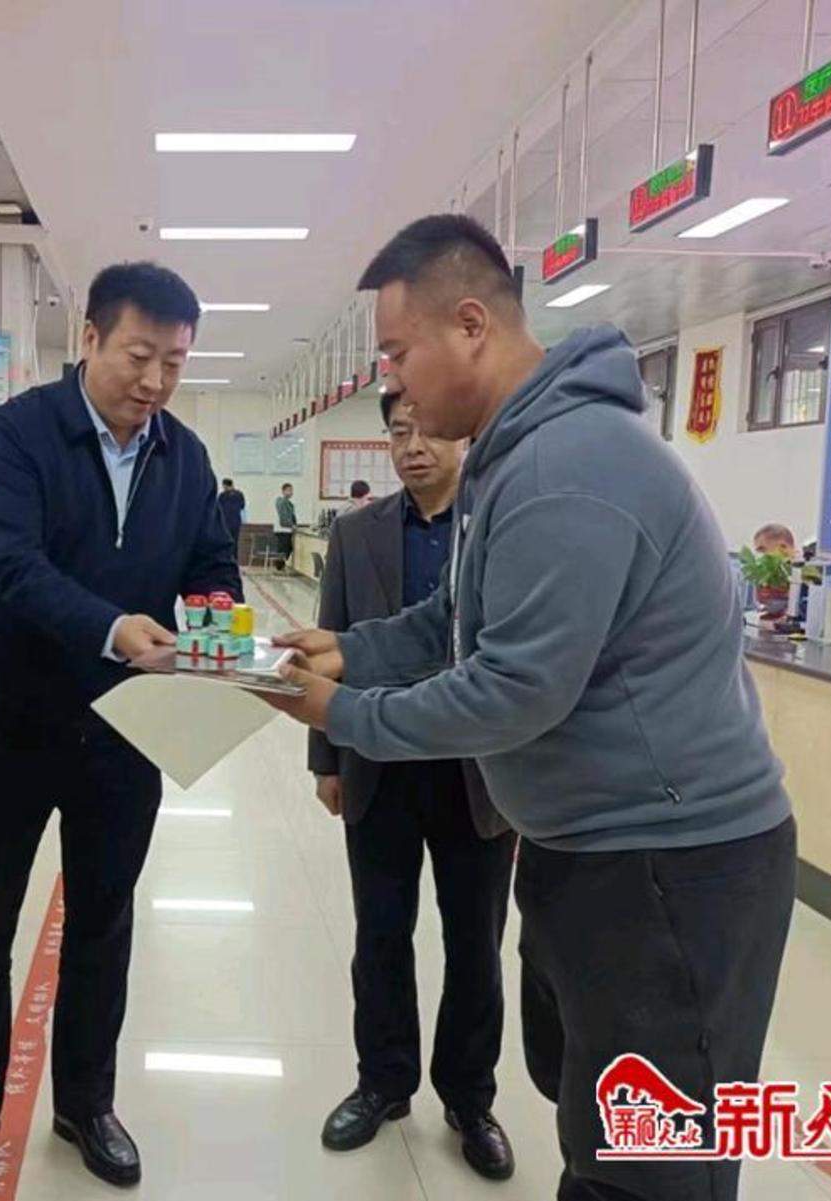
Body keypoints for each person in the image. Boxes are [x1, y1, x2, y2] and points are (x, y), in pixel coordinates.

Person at [268, 214, 796, 1201]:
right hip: (594, 847)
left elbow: (512, 691)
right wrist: (352, 648)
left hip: (666, 867)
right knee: (594, 1121)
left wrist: (341, 712)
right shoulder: (516, 456)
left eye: (398, 352)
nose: (393, 382)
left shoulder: (564, 465)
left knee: (650, 1167)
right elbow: (458, 616)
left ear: (470, 324)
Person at [0, 262, 241, 1193]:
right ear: (89, 338)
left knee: (103, 918)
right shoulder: (20, 433)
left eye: (175, 361)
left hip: (129, 729)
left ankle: (87, 1102)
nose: (156, 380)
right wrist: (113, 627)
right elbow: (14, 568)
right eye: (140, 354)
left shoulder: (186, 458)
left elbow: (212, 562)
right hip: (14, 719)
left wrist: (218, 620)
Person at [310, 391, 517, 1178]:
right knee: (380, 934)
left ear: (463, 438)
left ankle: (469, 1097)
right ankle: (382, 1082)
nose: (413, 445)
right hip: (379, 769)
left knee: (476, 945)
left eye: (428, 430)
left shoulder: (496, 525)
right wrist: (327, 760)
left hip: (477, 775)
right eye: (399, 431)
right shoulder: (356, 532)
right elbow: (331, 641)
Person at [275, 481, 298, 564]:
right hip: (284, 530)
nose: (291, 492)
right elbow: (283, 519)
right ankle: (280, 567)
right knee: (283, 551)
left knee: (286, 550)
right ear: (283, 491)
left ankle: (281, 566)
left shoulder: (288, 503)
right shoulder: (283, 502)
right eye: (289, 490)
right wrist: (292, 525)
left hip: (286, 531)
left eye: (292, 490)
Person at [217, 476, 246, 544]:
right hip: (236, 521)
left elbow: (218, 508)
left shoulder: (222, 496)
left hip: (226, 522)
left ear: (225, 485)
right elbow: (242, 506)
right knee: (235, 541)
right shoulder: (239, 494)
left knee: (226, 541)